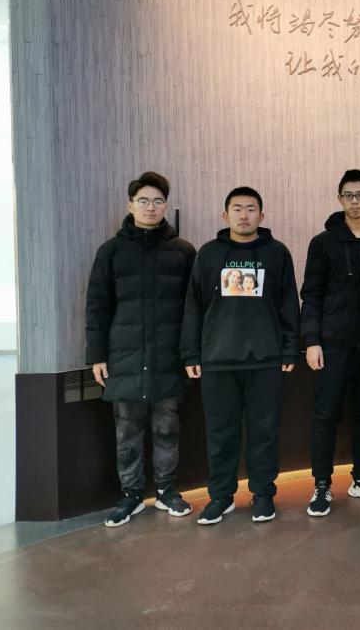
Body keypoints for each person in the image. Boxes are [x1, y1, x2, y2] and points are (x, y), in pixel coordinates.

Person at [180, 186, 300, 525]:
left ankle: (263, 494)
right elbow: (193, 307)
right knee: (221, 434)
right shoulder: (208, 254)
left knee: (265, 432)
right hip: (218, 361)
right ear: (225, 215)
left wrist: (290, 348)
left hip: (266, 360)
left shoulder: (277, 253)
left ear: (262, 215)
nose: (244, 215)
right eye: (237, 208)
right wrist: (191, 354)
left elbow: (289, 303)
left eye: (250, 209)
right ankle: (221, 496)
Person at [86, 171, 196, 527]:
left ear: (166, 205)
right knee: (127, 431)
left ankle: (166, 490)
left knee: (168, 427)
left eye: (158, 201)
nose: (151, 207)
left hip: (169, 356)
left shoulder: (183, 251)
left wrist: (191, 352)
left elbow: (194, 309)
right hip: (124, 356)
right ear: (130, 204)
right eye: (143, 201)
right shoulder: (111, 251)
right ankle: (131, 495)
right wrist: (96, 355)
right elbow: (97, 305)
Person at [300, 169, 360, 517]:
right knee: (325, 415)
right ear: (339, 199)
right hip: (333, 345)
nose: (355, 201)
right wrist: (312, 340)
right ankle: (322, 485)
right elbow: (311, 295)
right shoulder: (323, 243)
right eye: (348, 195)